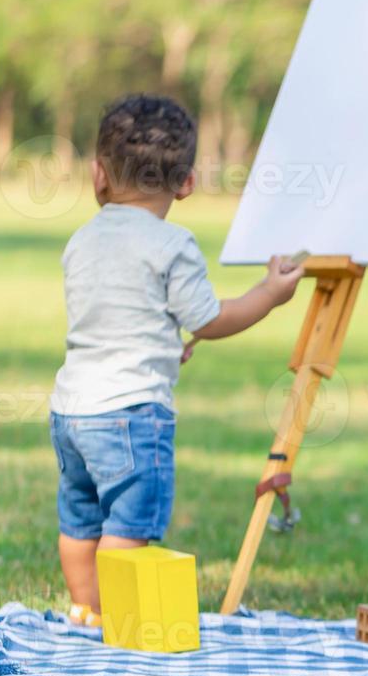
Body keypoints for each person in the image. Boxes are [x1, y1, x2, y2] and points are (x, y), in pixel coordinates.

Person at [49, 94, 306, 626]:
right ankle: (118, 620)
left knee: (79, 516)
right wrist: (269, 293)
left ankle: (84, 609)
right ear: (186, 182)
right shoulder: (172, 243)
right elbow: (208, 318)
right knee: (128, 520)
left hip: (71, 410)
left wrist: (162, 342)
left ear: (98, 175)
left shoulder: (81, 240)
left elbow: (116, 315)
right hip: (131, 412)